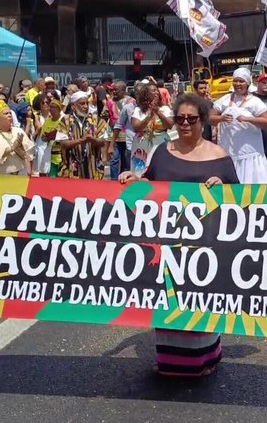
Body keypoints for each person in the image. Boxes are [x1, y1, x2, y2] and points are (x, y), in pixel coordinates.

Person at [119, 93, 238, 378]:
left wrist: (222, 187)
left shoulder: (220, 157)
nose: (185, 124)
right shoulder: (163, 151)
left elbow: (241, 200)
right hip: (168, 245)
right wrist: (134, 180)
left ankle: (206, 357)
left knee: (200, 300)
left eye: (192, 119)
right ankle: (172, 362)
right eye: (180, 118)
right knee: (169, 302)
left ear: (203, 121)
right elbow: (150, 180)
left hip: (205, 246)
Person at [211, 68, 267, 184]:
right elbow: (210, 118)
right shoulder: (224, 100)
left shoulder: (254, 102)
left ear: (248, 84)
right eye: (236, 81)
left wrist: (248, 119)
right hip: (229, 151)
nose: (238, 84)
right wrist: (221, 118)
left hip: (250, 153)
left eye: (241, 81)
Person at [56, 91, 110, 179]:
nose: (85, 106)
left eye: (87, 103)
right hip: (71, 167)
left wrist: (92, 139)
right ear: (73, 106)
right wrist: (81, 141)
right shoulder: (65, 121)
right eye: (82, 104)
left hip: (92, 168)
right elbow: (63, 144)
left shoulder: (96, 120)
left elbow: (103, 142)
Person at [130, 83, 174, 177]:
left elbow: (170, 125)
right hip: (142, 146)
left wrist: (158, 112)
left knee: (160, 171)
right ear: (146, 94)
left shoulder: (164, 109)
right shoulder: (138, 110)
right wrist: (149, 116)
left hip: (160, 144)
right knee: (140, 173)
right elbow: (136, 127)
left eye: (157, 90)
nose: (157, 92)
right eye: (153, 90)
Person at [0, 100, 34, 176]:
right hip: (1, 177)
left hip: (20, 174)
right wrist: (12, 148)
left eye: (10, 113)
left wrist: (20, 148)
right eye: (6, 113)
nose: (9, 115)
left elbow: (29, 155)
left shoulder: (18, 131)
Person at [104, 81, 133, 179]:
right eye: (113, 90)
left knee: (126, 160)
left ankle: (124, 180)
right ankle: (113, 181)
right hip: (114, 136)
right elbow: (104, 116)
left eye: (116, 90)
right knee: (114, 160)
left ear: (123, 90)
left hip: (127, 137)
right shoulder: (110, 101)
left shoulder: (131, 102)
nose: (114, 92)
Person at [40, 99, 65, 177]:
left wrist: (55, 135)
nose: (51, 109)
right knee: (52, 178)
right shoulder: (47, 121)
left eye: (53, 107)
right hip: (51, 155)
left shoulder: (64, 120)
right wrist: (47, 137)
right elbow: (42, 137)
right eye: (50, 107)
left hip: (62, 155)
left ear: (59, 109)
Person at [30, 95, 53, 176]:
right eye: (43, 103)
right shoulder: (37, 117)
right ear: (39, 105)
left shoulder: (53, 116)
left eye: (47, 102)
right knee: (40, 167)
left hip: (51, 144)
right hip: (40, 144)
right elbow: (40, 129)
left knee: (49, 167)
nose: (46, 104)